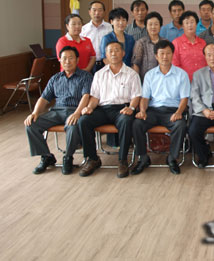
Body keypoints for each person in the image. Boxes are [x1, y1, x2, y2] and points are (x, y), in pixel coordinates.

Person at [24, 46, 92, 175]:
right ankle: (46, 157)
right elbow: (44, 98)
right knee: (31, 124)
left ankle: (68, 157)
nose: (67, 61)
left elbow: (86, 96)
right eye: (64, 58)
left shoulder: (85, 76)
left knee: (73, 126)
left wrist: (77, 113)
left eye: (71, 58)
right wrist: (34, 113)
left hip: (75, 111)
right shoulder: (55, 78)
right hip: (56, 111)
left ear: (77, 60)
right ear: (59, 60)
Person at [78, 41, 141, 178]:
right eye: (110, 51)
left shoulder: (132, 74)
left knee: (126, 121)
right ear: (106, 55)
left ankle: (122, 160)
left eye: (117, 50)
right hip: (102, 109)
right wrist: (89, 107)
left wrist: (131, 108)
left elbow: (136, 96)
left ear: (123, 53)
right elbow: (95, 97)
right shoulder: (99, 74)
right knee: (83, 121)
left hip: (122, 108)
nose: (114, 53)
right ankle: (92, 159)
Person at [131, 40, 190, 176]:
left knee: (180, 125)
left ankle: (172, 158)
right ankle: (143, 158)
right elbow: (145, 98)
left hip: (172, 111)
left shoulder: (182, 74)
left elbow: (184, 98)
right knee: (137, 124)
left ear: (172, 55)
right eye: (161, 54)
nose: (165, 57)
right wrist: (142, 111)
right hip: (153, 111)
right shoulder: (150, 75)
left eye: (168, 53)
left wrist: (179, 112)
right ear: (156, 56)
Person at [172, 11, 207, 81]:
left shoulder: (203, 43)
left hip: (202, 81)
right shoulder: (176, 43)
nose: (190, 25)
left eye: (192, 22)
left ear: (196, 24)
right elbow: (175, 65)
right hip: (184, 81)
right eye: (187, 23)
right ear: (182, 26)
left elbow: (207, 63)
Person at [132, 11, 165, 82]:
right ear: (146, 26)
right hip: (145, 81)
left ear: (160, 26)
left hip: (163, 81)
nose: (153, 27)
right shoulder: (141, 43)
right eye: (150, 24)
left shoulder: (165, 42)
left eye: (156, 24)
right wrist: (137, 82)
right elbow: (136, 64)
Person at [81, 0, 111, 71]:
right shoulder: (83, 29)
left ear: (104, 12)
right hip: (89, 64)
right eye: (94, 10)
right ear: (89, 12)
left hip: (106, 63)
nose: (97, 13)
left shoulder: (110, 28)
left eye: (100, 10)